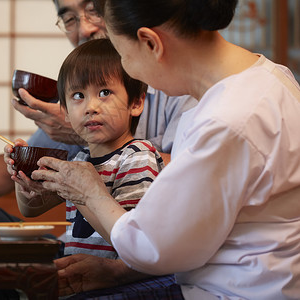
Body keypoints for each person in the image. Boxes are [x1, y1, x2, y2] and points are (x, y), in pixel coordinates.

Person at [31, 0, 300, 299]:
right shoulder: (269, 77)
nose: (130, 69)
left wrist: (90, 193)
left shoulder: (228, 120)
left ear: (150, 42)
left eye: (122, 55)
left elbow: (152, 247)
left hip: (231, 290)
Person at [0, 0, 196, 200]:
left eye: (94, 9)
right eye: (69, 18)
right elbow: (20, 170)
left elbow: (198, 172)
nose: (84, 28)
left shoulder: (175, 84)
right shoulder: (77, 98)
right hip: (83, 243)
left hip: (148, 250)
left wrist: (87, 136)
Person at [8, 38, 168, 260]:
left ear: (136, 103)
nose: (90, 107)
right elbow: (31, 208)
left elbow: (132, 238)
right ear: (64, 110)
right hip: (82, 278)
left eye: (104, 92)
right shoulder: (81, 159)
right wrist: (21, 172)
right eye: (78, 96)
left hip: (118, 283)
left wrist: (81, 194)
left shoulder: (138, 156)